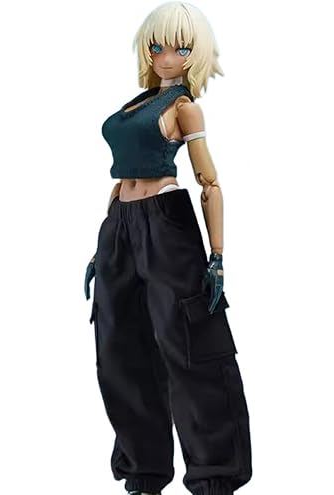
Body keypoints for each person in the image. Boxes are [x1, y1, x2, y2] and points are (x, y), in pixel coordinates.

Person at [84, 2, 252, 494]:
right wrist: (102, 244)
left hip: (165, 221)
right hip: (121, 223)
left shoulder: (183, 108)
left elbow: (209, 182)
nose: (166, 56)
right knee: (118, 346)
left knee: (189, 343)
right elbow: (120, 178)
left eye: (180, 47)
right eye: (157, 46)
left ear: (195, 53)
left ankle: (215, 474)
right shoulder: (135, 105)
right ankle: (142, 471)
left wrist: (217, 256)